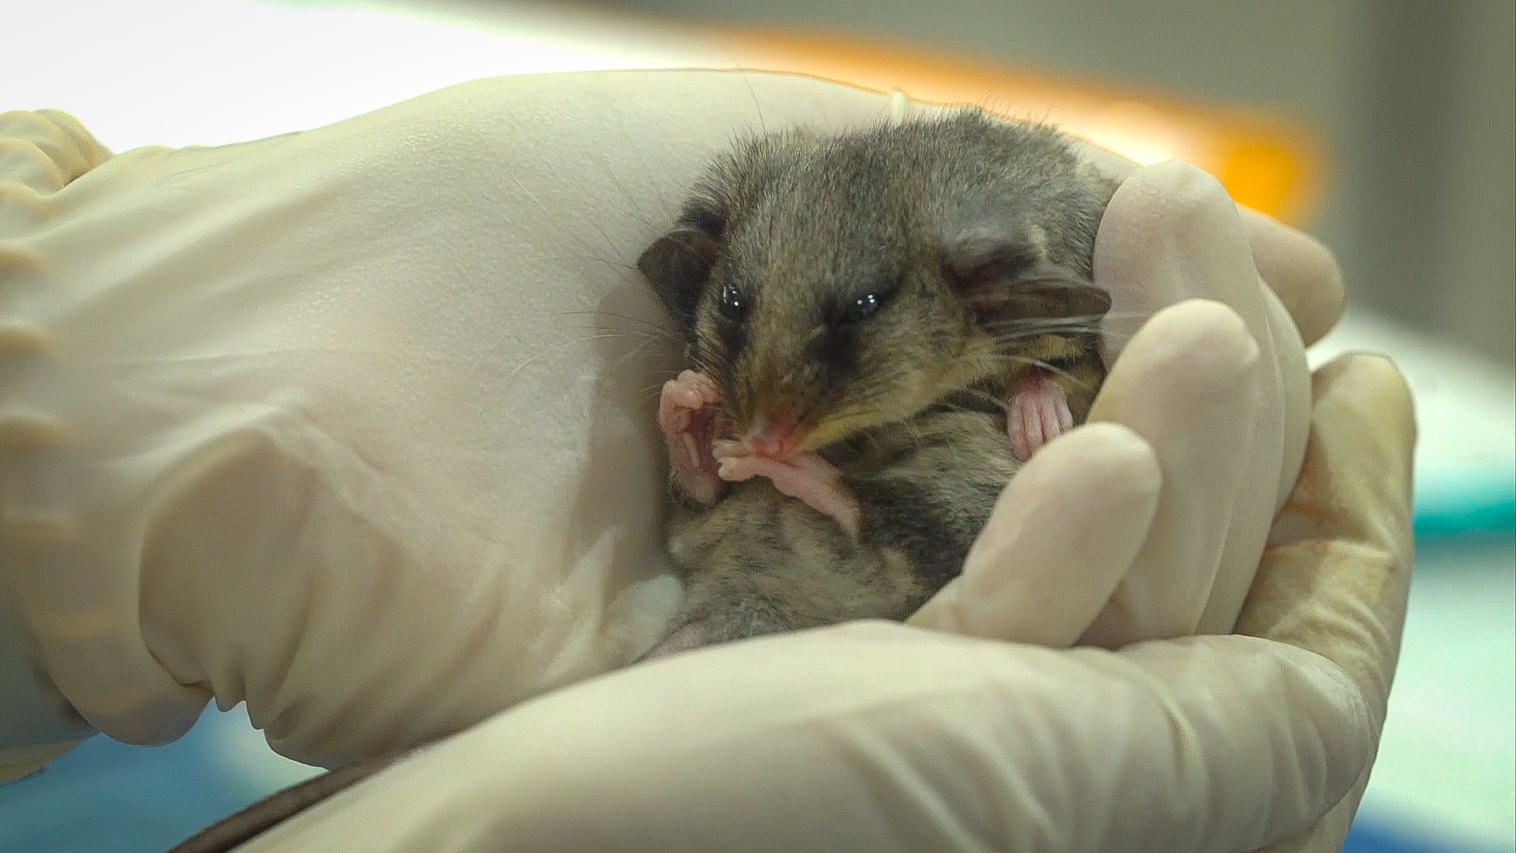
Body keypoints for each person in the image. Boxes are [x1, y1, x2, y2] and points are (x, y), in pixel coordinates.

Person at [0, 71, 1413, 852]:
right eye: (734, 310)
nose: (769, 404)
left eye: (848, 335)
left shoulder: (1012, 268)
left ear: (986, 294)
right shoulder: (755, 262)